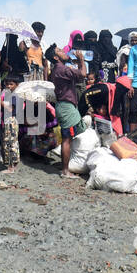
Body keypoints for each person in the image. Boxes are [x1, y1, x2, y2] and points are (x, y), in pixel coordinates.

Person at [50, 45, 87, 178]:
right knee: (67, 139)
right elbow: (83, 74)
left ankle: (65, 168)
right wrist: (82, 60)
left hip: (65, 106)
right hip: (66, 107)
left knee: (68, 137)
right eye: (59, 51)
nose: (64, 52)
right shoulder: (61, 69)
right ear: (55, 57)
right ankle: (65, 171)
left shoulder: (58, 69)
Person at [0, 73, 21, 174]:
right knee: (12, 142)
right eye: (7, 84)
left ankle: (10, 167)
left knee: (9, 142)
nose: (8, 86)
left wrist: (0, 102)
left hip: (11, 120)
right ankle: (13, 165)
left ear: (17, 84)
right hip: (11, 120)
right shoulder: (11, 95)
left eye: (11, 84)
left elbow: (11, 109)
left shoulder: (15, 96)